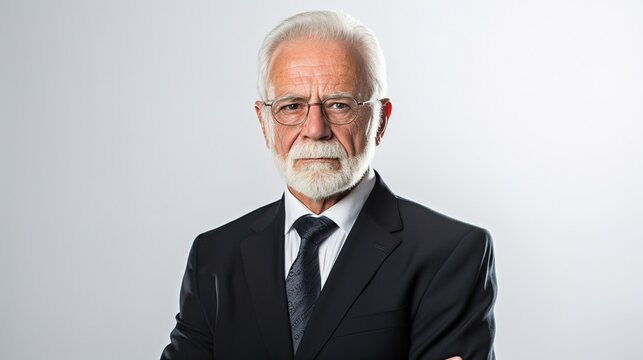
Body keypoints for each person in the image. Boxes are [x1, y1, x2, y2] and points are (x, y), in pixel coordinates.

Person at [161, 10, 496, 360]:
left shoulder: (450, 254)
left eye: (339, 104)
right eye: (291, 106)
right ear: (264, 123)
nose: (315, 129)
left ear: (380, 121)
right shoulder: (214, 257)